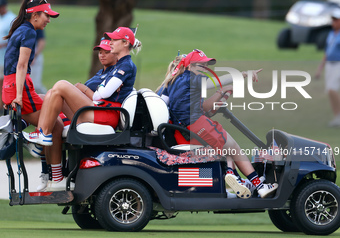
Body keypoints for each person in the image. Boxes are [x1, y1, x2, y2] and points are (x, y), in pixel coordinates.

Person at [24, 27, 142, 191]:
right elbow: (101, 92)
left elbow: (102, 94)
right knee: (48, 96)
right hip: (99, 111)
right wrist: (97, 90)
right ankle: (44, 143)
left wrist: (93, 90)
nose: (111, 44)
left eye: (114, 41)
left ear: (125, 43)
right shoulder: (119, 65)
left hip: (106, 114)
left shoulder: (126, 65)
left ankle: (42, 135)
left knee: (61, 85)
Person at [160, 49, 278, 198]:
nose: (205, 68)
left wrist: (221, 93)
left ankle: (235, 176)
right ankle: (258, 186)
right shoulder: (192, 78)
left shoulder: (176, 81)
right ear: (189, 66)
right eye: (200, 65)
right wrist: (242, 74)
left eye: (206, 65)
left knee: (227, 146)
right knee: (234, 147)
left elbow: (204, 108)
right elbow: (212, 83)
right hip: (198, 125)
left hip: (186, 130)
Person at [1, 0, 62, 190]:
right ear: (35, 15)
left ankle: (35, 135)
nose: (48, 20)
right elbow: (21, 65)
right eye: (46, 15)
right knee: (58, 125)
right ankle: (54, 177)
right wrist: (18, 96)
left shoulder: (22, 29)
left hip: (11, 87)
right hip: (19, 87)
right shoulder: (29, 33)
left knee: (53, 106)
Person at [315, 8, 340, 127]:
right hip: (330, 65)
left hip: (338, 65)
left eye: (336, 20)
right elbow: (327, 52)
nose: (333, 22)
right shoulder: (331, 34)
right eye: (333, 20)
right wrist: (320, 68)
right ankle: (337, 117)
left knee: (332, 89)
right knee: (330, 91)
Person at [0, 0, 16, 112]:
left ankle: (3, 108)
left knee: (3, 84)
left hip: (5, 58)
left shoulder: (11, 19)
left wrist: (3, 45)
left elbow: (14, 39)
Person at [30, 29, 47, 94]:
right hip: (23, 56)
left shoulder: (36, 25)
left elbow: (41, 42)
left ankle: (48, 99)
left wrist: (34, 56)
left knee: (35, 85)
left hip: (34, 55)